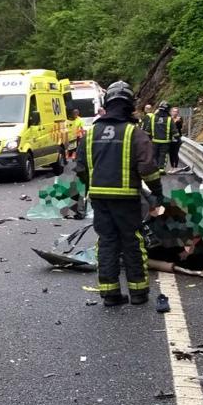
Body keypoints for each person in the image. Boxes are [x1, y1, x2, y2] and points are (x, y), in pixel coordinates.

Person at [74, 81, 164, 306]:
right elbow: (148, 170)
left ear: (107, 103)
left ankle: (110, 294)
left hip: (99, 199)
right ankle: (138, 293)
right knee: (132, 242)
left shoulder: (90, 133)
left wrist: (88, 191)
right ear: (130, 106)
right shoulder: (136, 134)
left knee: (106, 242)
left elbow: (81, 169)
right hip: (126, 200)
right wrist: (157, 193)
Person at [146, 102, 173, 169]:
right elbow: (174, 131)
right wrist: (177, 138)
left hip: (155, 141)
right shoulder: (169, 119)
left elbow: (147, 131)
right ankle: (161, 168)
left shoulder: (152, 118)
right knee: (163, 155)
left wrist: (148, 139)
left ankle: (155, 167)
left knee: (155, 154)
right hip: (165, 142)